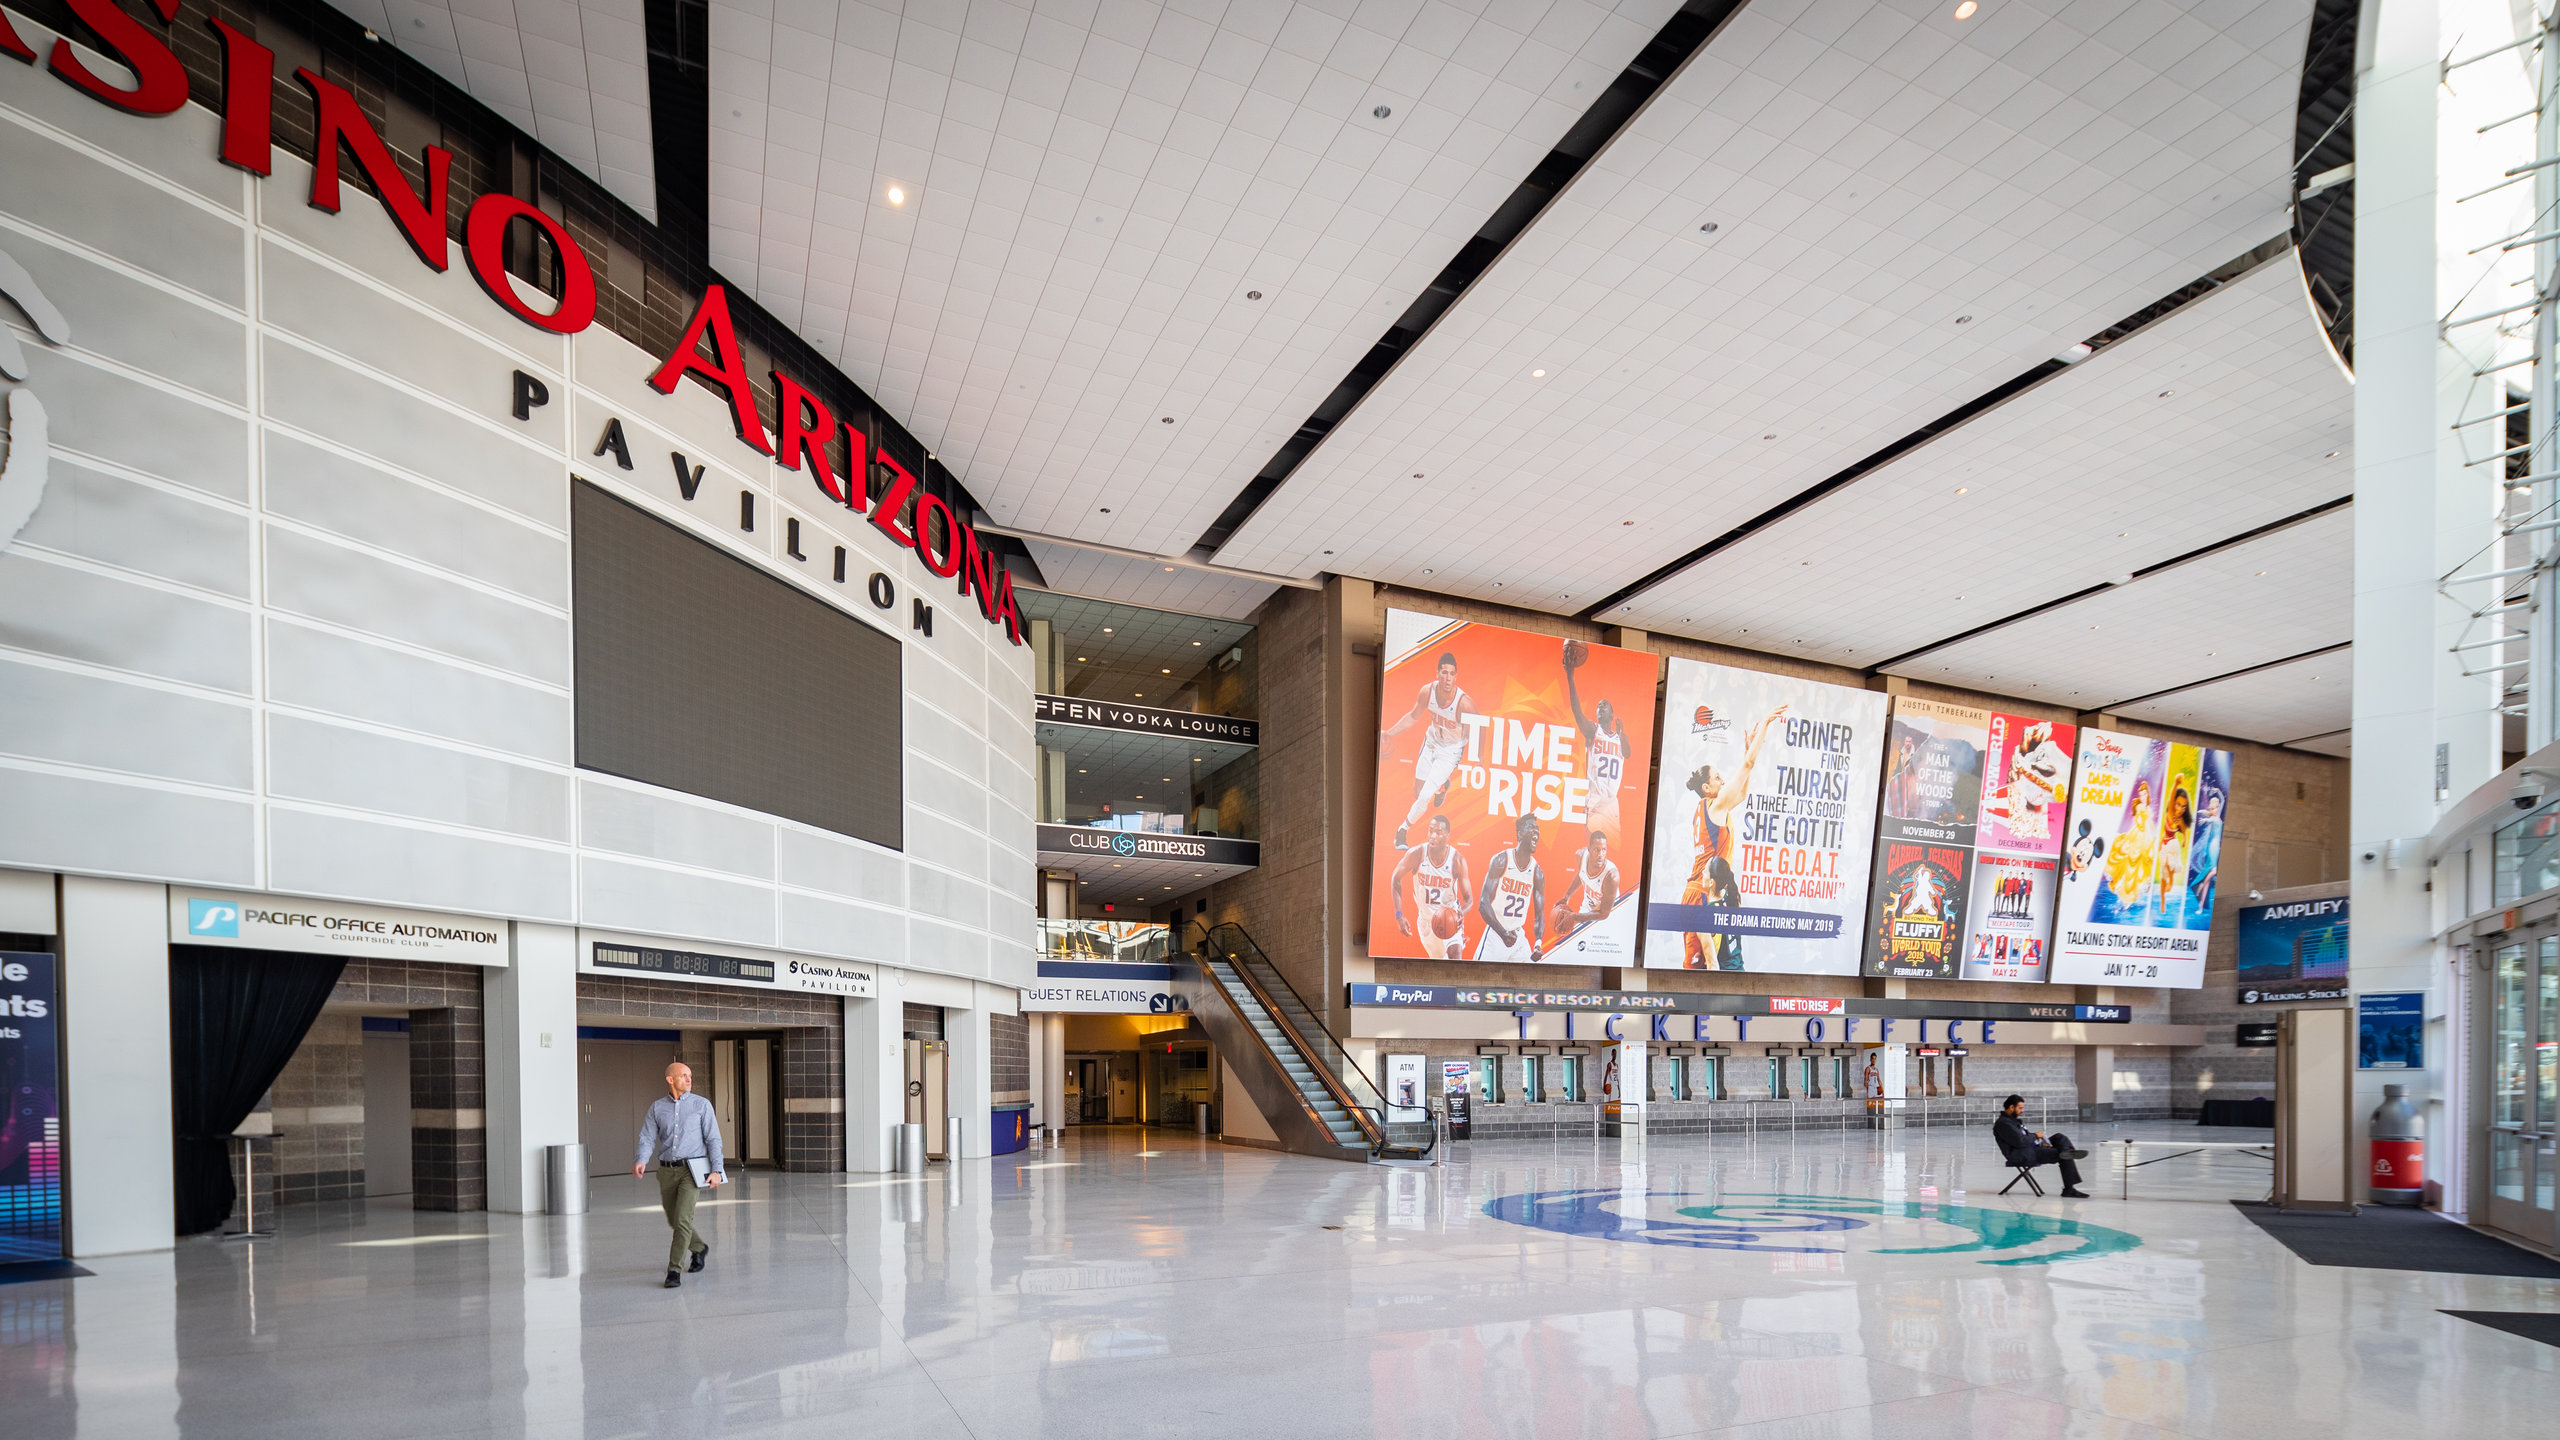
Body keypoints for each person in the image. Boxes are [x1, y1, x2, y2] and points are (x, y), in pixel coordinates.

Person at [634, 1061, 726, 1287]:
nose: (689, 1079)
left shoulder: (701, 1105)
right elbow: (647, 1137)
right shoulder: (657, 1108)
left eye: (690, 1076)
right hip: (666, 1171)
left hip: (692, 1171)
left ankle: (674, 1270)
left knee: (683, 1219)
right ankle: (699, 1248)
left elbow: (713, 1139)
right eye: (684, 1075)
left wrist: (716, 1169)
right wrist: (641, 1159)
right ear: (670, 1079)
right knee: (674, 1219)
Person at [1380, 651, 1479, 850]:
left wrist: (1470, 761)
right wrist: (1390, 733)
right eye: (1444, 672)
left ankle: (1402, 831)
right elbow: (1413, 716)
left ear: (1456, 676)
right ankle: (1442, 786)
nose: (1447, 678)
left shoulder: (1464, 704)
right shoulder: (1427, 691)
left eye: (1451, 674)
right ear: (1437, 673)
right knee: (1417, 793)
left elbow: (1474, 734)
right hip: (1431, 741)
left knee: (1425, 796)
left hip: (1450, 751)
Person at [1390, 813, 1473, 958]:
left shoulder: (1457, 860)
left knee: (1455, 955)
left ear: (1447, 836)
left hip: (1450, 917)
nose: (1433, 835)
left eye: (1438, 832)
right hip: (1426, 922)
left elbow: (1469, 899)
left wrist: (1460, 913)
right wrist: (1399, 915)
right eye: (1430, 831)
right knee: (1439, 964)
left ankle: (1458, 942)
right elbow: (1396, 879)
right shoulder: (1416, 854)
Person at [1993, 1094, 2088, 1197]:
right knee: (2060, 1154)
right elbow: (2020, 1141)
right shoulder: (2003, 1124)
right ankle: (2069, 1188)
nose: (2022, 1110)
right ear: (2011, 1107)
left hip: (2030, 1149)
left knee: (2059, 1137)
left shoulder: (2013, 1121)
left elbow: (2025, 1137)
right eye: (2020, 1108)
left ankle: (2067, 1152)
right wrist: (2035, 1135)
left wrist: (2041, 1143)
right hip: (2022, 1155)